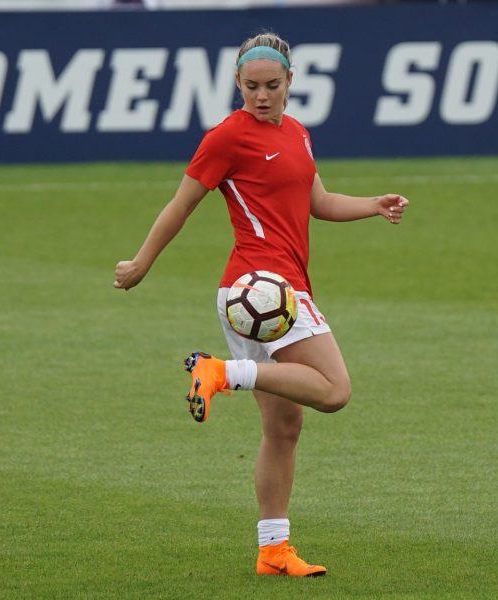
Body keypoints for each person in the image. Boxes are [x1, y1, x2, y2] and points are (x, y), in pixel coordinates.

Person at [113, 32, 409, 577]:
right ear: (237, 84)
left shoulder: (297, 132)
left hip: (265, 292)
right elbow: (181, 205)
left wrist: (374, 204)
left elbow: (317, 201)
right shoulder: (226, 137)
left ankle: (273, 550)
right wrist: (141, 262)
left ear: (291, 81)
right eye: (251, 86)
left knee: (283, 428)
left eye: (272, 85)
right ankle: (221, 371)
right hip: (263, 289)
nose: (262, 96)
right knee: (336, 390)